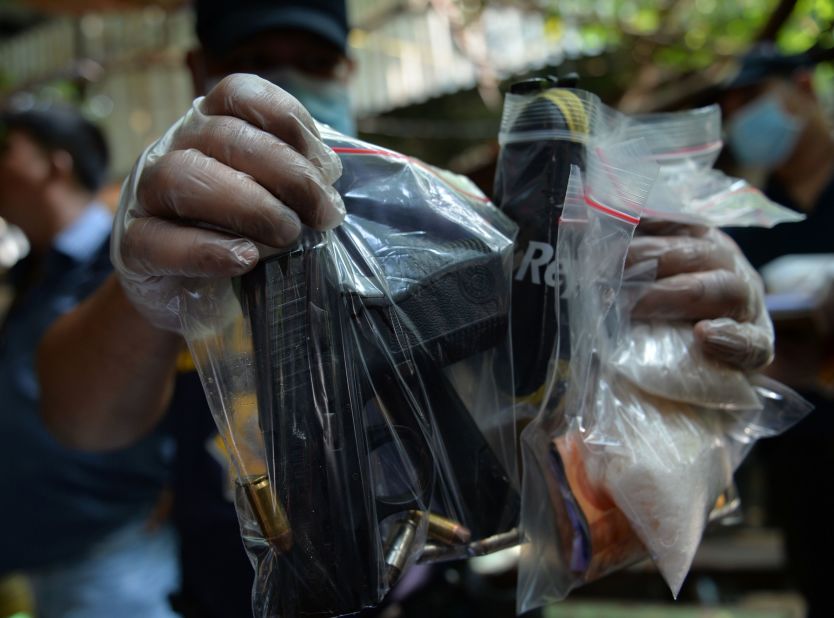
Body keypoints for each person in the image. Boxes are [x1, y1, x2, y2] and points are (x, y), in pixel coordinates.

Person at [36, 1, 777, 615]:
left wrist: (669, 330)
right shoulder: (164, 229)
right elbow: (79, 418)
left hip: (449, 586)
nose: (287, 76)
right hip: (250, 595)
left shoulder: (452, 213)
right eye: (257, 53)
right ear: (201, 73)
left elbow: (558, 406)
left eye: (315, 59)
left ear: (348, 70)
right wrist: (142, 289)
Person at [0, 106, 179, 617]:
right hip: (47, 563)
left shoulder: (131, 252)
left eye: (6, 150)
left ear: (55, 166)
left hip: (112, 561)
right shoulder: (35, 269)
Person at [719, 46, 834, 618]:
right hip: (799, 448)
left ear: (804, 88)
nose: (743, 120)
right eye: (732, 108)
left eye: (753, 100)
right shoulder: (751, 215)